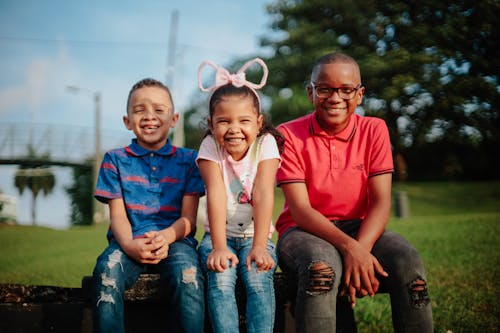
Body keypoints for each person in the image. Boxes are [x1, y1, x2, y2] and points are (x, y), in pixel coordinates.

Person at [275, 52, 433, 332]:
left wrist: (360, 249)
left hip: (359, 229)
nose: (335, 98)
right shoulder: (288, 134)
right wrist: (351, 249)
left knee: (407, 262)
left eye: (346, 90)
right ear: (311, 92)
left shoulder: (375, 129)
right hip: (303, 231)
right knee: (321, 269)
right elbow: (300, 210)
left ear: (359, 95)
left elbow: (380, 202)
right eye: (325, 89)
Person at [91, 78, 205, 333]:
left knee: (188, 276)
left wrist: (165, 237)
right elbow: (117, 217)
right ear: (127, 121)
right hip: (128, 240)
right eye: (139, 110)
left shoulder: (189, 160)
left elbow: (189, 219)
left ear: (174, 119)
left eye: (158, 109)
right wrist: (130, 245)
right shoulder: (114, 160)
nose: (149, 116)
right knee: (107, 273)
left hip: (175, 241)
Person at [196, 58, 284, 333]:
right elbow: (216, 194)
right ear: (211, 124)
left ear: (258, 123)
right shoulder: (210, 146)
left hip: (256, 234)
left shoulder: (265, 144)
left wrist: (260, 245)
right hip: (217, 235)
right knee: (221, 278)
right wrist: (219, 247)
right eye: (224, 121)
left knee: (258, 276)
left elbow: (264, 192)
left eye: (244, 121)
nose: (234, 129)